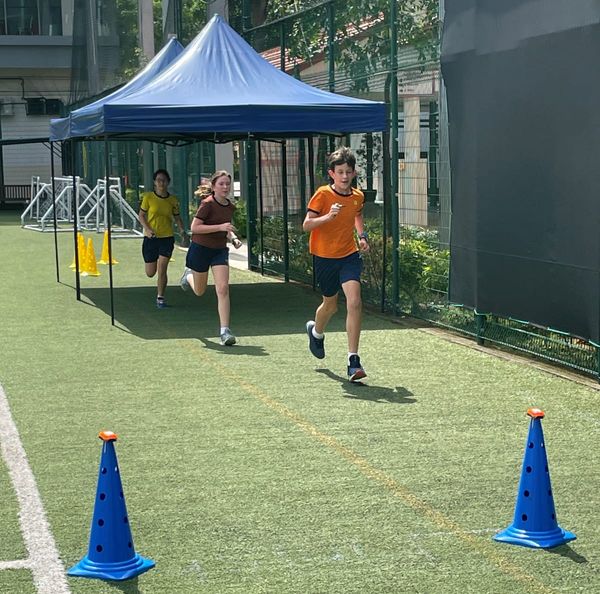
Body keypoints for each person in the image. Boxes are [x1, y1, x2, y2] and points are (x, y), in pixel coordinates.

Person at [302, 146, 370, 382]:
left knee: (355, 301)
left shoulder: (357, 196)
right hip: (324, 258)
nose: (344, 176)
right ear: (332, 173)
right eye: (339, 172)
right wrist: (327, 217)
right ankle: (316, 332)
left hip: (349, 256)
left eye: (348, 172)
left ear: (353, 173)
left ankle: (353, 360)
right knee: (330, 306)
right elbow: (306, 225)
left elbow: (357, 215)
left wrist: (362, 237)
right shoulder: (322, 195)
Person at [180, 170, 240, 346]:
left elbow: (226, 229)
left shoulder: (230, 206)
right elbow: (195, 227)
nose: (225, 187)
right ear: (213, 187)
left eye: (227, 184)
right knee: (200, 291)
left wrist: (233, 238)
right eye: (221, 184)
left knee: (223, 288)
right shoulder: (207, 204)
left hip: (219, 251)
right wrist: (220, 227)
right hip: (200, 249)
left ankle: (225, 331)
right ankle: (188, 276)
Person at [138, 169, 188, 308]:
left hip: (167, 237)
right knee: (150, 272)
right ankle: (158, 292)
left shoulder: (173, 200)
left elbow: (177, 217)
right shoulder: (148, 197)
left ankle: (160, 297)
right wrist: (148, 229)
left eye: (164, 180)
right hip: (151, 238)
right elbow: (141, 215)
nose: (161, 183)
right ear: (154, 182)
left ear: (168, 183)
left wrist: (182, 230)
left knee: (162, 268)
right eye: (159, 180)